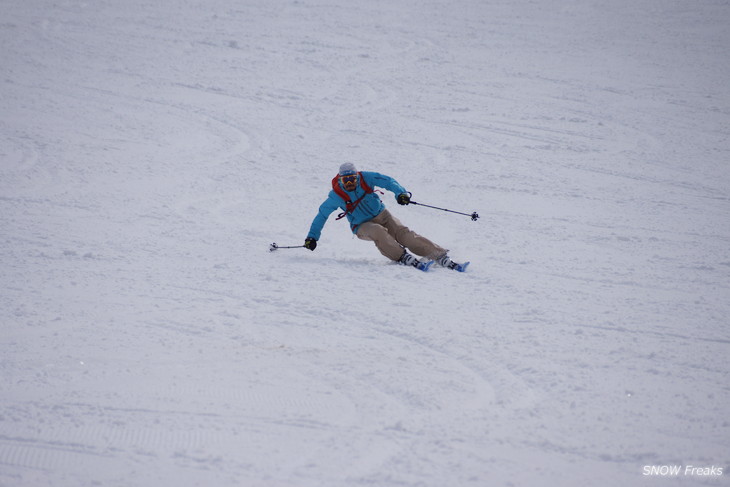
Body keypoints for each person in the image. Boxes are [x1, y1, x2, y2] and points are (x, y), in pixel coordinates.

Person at [304, 162, 466, 271]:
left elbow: (388, 181)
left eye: (352, 179)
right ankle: (401, 256)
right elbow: (321, 215)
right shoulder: (336, 195)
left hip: (382, 214)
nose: (349, 183)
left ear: (357, 176)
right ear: (340, 180)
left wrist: (400, 193)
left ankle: (437, 254)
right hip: (361, 226)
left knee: (404, 234)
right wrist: (312, 237)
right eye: (345, 180)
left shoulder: (366, 178)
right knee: (378, 231)